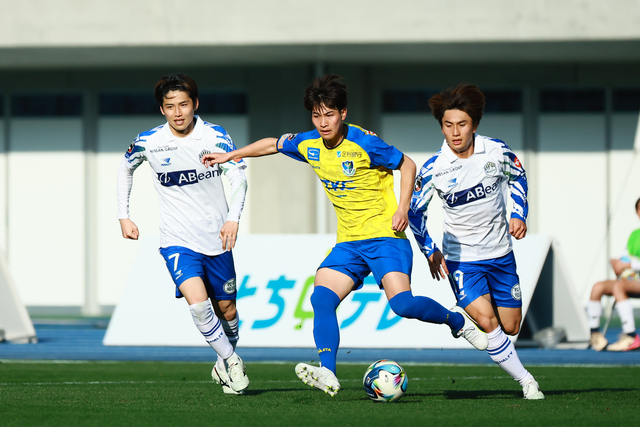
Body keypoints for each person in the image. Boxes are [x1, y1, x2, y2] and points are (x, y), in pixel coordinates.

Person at [201, 74, 487, 397]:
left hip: (385, 237)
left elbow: (407, 165)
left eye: (329, 114)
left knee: (403, 305)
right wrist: (230, 155)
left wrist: (403, 207)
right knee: (321, 298)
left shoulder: (365, 142)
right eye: (316, 115)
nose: (323, 123)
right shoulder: (308, 143)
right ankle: (328, 373)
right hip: (349, 243)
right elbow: (272, 144)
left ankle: (456, 322)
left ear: (343, 113)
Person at [408, 84, 545, 400]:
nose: (455, 133)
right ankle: (527, 382)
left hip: (501, 255)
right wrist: (430, 250)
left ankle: (466, 310)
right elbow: (415, 213)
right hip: (462, 260)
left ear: (475, 124)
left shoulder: (496, 151)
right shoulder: (434, 168)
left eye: (462, 124)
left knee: (511, 326)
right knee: (487, 321)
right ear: (441, 126)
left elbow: (518, 177)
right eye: (448, 125)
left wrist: (519, 214)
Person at [117, 74, 250, 394]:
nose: (177, 113)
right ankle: (232, 360)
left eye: (183, 105)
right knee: (199, 305)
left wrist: (232, 219)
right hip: (177, 240)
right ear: (162, 109)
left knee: (228, 310)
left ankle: (222, 361)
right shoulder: (149, 141)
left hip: (217, 240)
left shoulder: (215, 136)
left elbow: (238, 178)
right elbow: (125, 168)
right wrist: (124, 215)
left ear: (195, 104)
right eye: (170, 106)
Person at [587, 197, 640, 352]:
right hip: (631, 279)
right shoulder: (634, 235)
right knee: (598, 287)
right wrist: (618, 264)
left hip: (634, 281)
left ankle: (631, 335)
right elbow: (626, 258)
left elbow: (630, 263)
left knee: (619, 287)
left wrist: (628, 265)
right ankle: (595, 334)